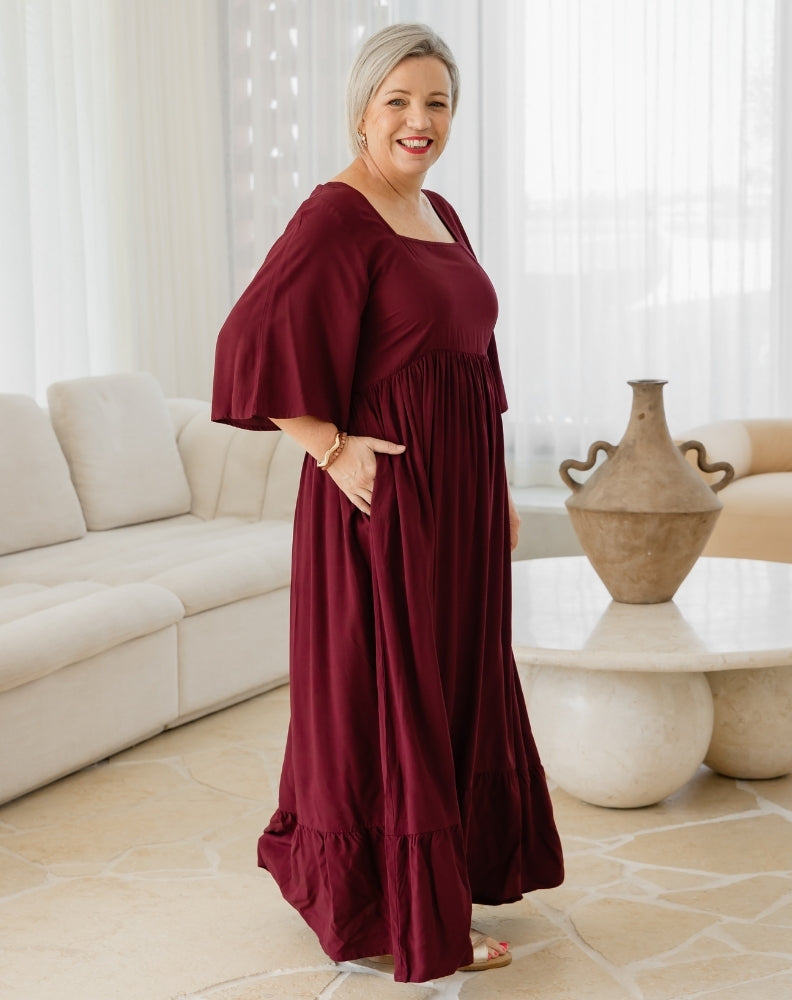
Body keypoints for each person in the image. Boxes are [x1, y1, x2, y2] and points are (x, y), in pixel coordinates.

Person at [212, 22, 564, 984]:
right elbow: (248, 343)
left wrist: (497, 489)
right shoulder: (336, 214)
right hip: (387, 505)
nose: (420, 120)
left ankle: (443, 881)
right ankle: (395, 911)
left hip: (460, 501)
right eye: (398, 101)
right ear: (362, 112)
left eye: (437, 103)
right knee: (390, 696)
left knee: (451, 686)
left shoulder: (439, 210)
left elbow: (474, 362)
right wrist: (330, 450)